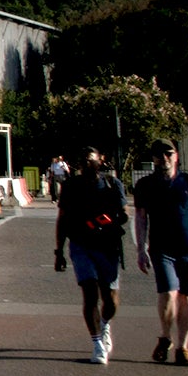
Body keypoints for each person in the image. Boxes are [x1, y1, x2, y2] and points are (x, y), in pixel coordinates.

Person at [132, 139, 188, 367]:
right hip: (161, 249)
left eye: (168, 154)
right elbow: (140, 219)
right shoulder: (145, 185)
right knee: (168, 294)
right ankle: (165, 335)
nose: (164, 159)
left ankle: (183, 348)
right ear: (154, 159)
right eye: (159, 155)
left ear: (176, 155)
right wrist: (140, 249)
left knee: (187, 299)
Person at [54, 147, 128, 363]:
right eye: (82, 162)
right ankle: (97, 345)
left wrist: (104, 221)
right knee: (90, 293)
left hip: (108, 246)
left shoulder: (113, 185)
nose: (85, 165)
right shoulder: (70, 186)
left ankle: (104, 324)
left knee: (111, 300)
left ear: (100, 161)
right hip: (81, 245)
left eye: (89, 161)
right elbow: (63, 219)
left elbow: (124, 215)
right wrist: (58, 251)